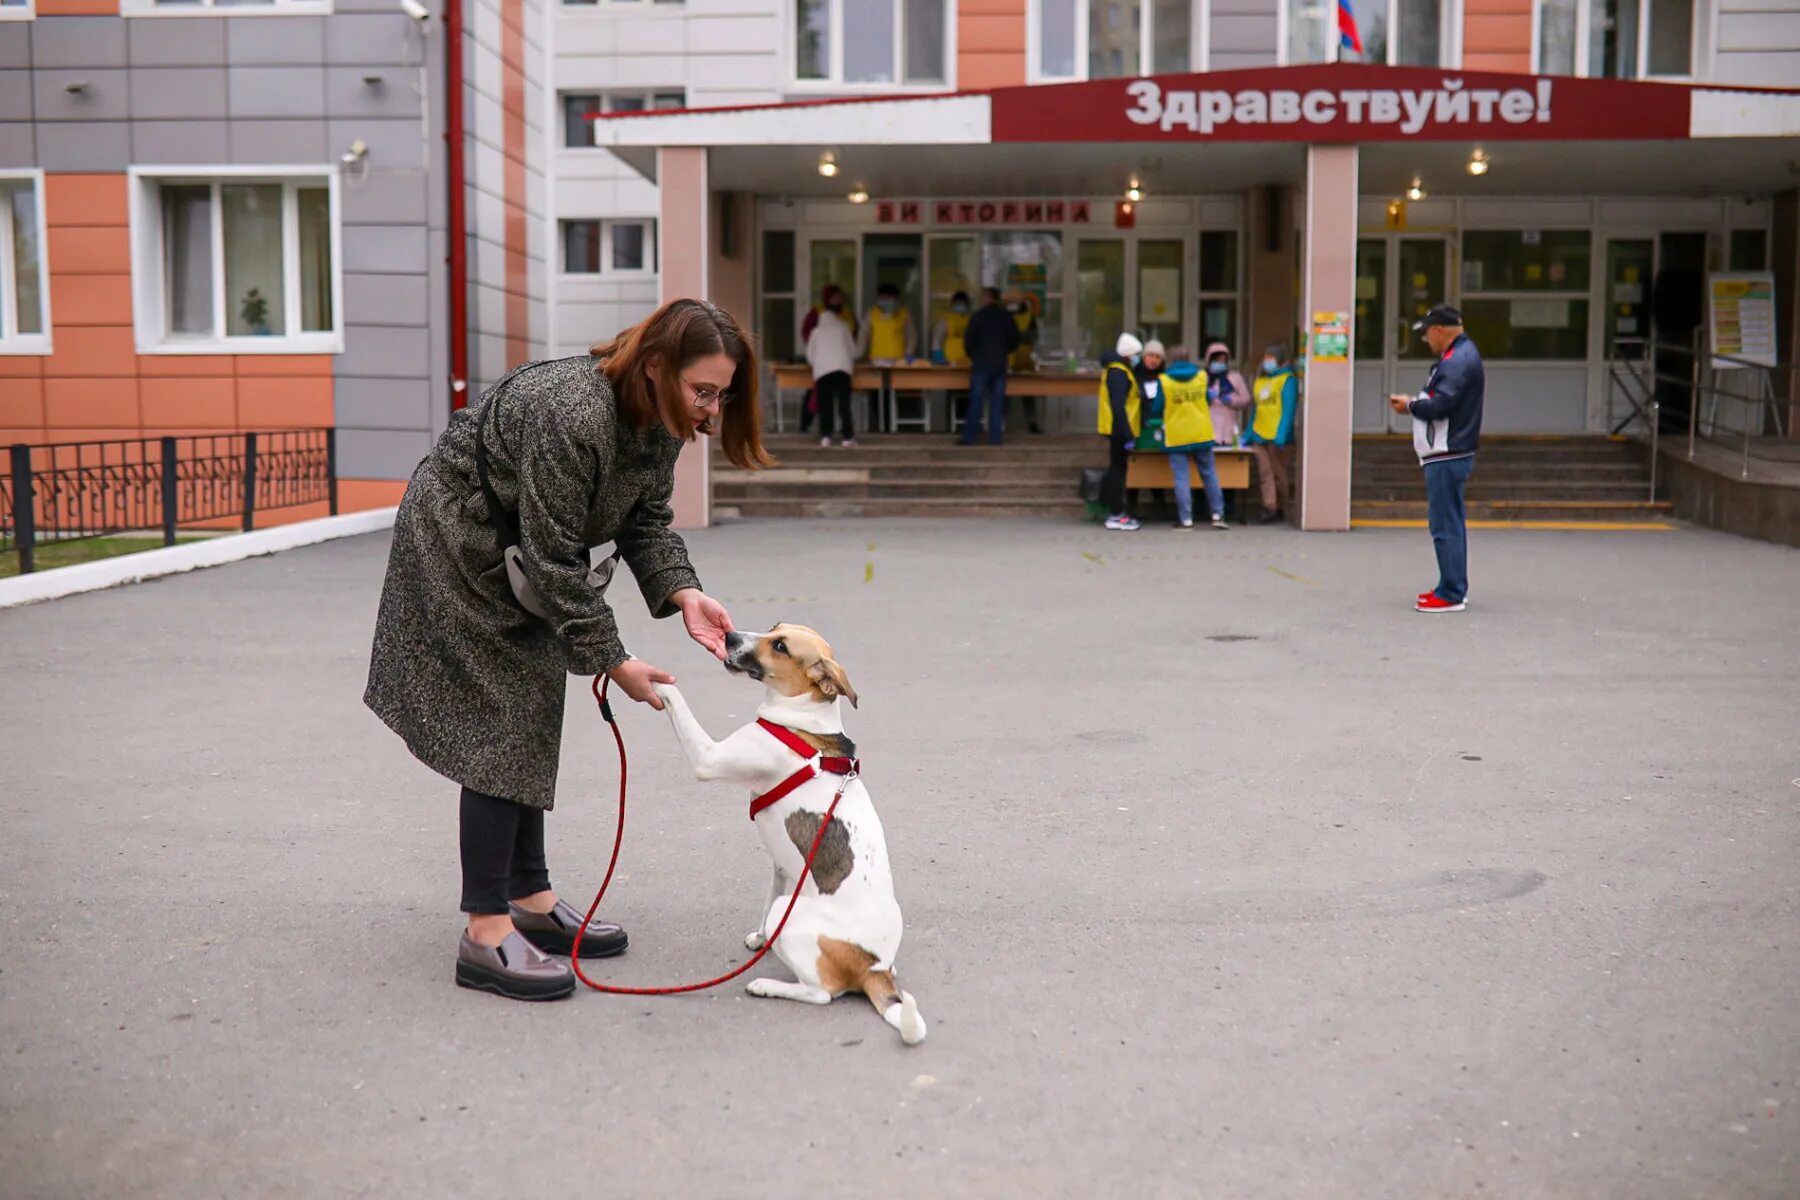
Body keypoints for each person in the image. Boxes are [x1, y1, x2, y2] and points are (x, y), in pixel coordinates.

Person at [364, 299, 770, 1002]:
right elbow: (555, 561)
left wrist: (683, 595)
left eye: (721, 396)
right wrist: (616, 661)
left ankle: (533, 899)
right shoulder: (573, 413)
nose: (711, 412)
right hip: (458, 541)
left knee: (531, 708)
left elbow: (645, 522)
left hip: (521, 554)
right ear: (655, 368)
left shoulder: (659, 421)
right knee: (499, 725)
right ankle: (486, 933)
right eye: (703, 391)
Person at [1390, 305, 1484, 613]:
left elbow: (1441, 404)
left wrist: (1410, 406)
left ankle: (1451, 592)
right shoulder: (1460, 356)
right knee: (1450, 522)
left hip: (1447, 452)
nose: (1425, 340)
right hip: (1450, 451)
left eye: (1427, 333)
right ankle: (1452, 586)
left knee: (1444, 523)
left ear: (1439, 331)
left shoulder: (1456, 360)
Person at [1161, 345, 1229, 530]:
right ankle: (1217, 515)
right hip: (1201, 432)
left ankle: (1186, 519)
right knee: (1209, 475)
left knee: (1182, 478)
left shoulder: (1165, 380)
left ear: (1171, 360)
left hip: (1177, 435)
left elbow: (1157, 406)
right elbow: (1207, 399)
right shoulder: (1201, 376)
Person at [1244, 344, 1298, 524]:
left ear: (1280, 360)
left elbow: (1288, 410)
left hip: (1278, 437)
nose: (1267, 361)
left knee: (1280, 474)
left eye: (1271, 357)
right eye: (1266, 357)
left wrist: (1282, 434)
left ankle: (1285, 504)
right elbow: (1256, 410)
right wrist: (1249, 433)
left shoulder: (1287, 380)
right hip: (1260, 435)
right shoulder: (1260, 381)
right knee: (1265, 474)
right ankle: (1270, 507)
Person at [960, 286, 1021, 445]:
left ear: (988, 298)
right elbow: (1015, 341)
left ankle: (970, 437)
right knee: (997, 402)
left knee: (976, 401)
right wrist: (1003, 352)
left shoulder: (978, 316)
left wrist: (974, 356)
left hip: (981, 363)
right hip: (999, 363)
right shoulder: (1007, 317)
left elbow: (968, 342)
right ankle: (995, 438)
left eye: (983, 297)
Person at [1096, 332, 1144, 531]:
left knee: (1118, 469)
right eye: (1137, 354)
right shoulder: (1118, 373)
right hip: (1118, 429)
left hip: (1118, 427)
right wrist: (1127, 431)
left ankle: (1117, 513)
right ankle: (1117, 514)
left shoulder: (1118, 370)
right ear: (1128, 355)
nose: (1138, 358)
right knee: (1117, 471)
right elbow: (1118, 405)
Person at [806, 286, 859, 448]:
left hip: (823, 371)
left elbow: (810, 354)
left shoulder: (816, 331)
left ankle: (825, 437)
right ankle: (847, 437)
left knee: (825, 405)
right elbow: (853, 351)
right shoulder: (843, 327)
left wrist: (818, 364)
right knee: (844, 404)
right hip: (842, 369)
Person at [1005, 291, 1045, 435]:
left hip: (1025, 359)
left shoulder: (1030, 316)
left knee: (1029, 392)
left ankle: (1032, 422)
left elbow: (1033, 336)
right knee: (1005, 393)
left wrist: (1015, 336)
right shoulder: (1003, 315)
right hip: (1006, 359)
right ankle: (1003, 424)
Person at [931, 291, 972, 368]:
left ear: (967, 305)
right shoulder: (946, 320)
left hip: (968, 362)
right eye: (958, 304)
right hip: (950, 362)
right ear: (952, 304)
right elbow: (937, 339)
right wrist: (938, 355)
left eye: (962, 304)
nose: (960, 306)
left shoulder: (971, 320)